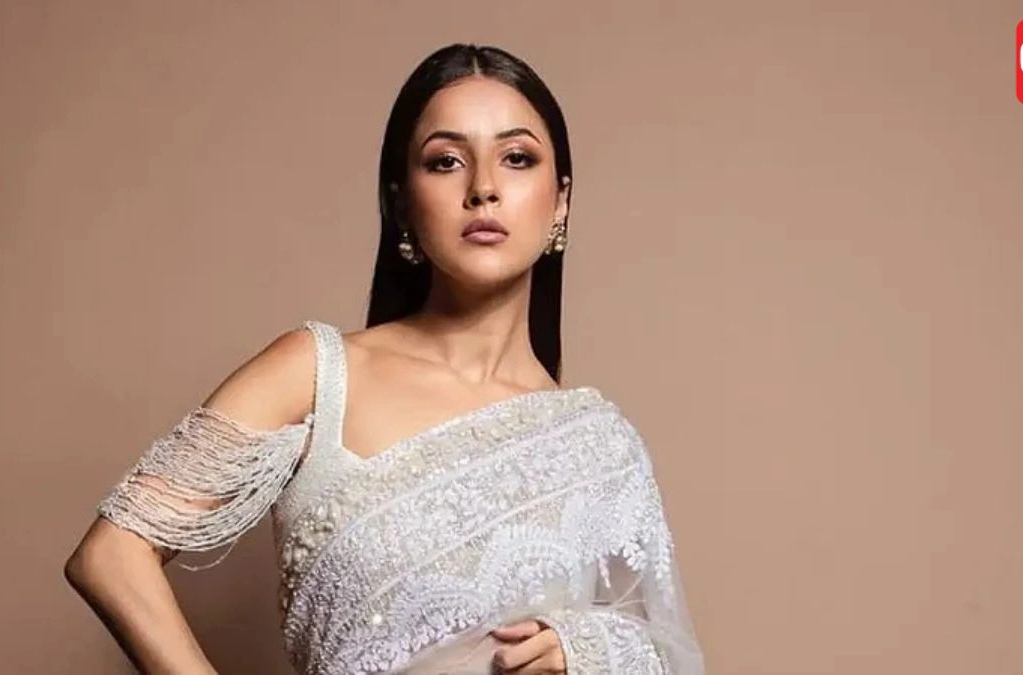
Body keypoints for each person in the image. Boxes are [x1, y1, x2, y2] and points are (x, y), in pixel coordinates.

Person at [64, 43, 705, 675]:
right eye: (446, 162)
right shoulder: (317, 376)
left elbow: (663, 651)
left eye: (516, 158)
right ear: (402, 205)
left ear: (560, 201)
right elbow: (111, 555)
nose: (483, 188)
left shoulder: (599, 447)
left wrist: (586, 650)